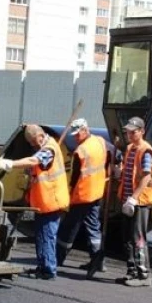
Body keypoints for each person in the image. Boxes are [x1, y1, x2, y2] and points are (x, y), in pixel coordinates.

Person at [0, 125, 70, 280]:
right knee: (41, 235)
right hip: (43, 202)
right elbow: (40, 167)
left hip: (51, 201)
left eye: (34, 143)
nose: (33, 146)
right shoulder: (46, 146)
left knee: (47, 236)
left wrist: (10, 164)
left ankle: (48, 270)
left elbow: (35, 160)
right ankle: (42, 266)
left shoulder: (49, 149)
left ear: (40, 136)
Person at [55, 118, 110, 279]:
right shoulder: (100, 142)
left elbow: (75, 177)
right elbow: (108, 159)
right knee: (93, 227)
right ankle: (98, 260)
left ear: (85, 130)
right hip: (97, 192)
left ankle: (58, 257)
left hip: (82, 195)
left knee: (68, 227)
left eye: (77, 134)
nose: (75, 138)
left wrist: (69, 194)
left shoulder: (81, 151)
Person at [117, 116, 152, 287]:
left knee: (138, 237)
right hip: (128, 200)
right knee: (127, 237)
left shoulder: (145, 150)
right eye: (128, 131)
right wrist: (118, 171)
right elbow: (129, 170)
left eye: (133, 132)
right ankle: (131, 271)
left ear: (142, 132)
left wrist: (134, 198)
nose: (129, 134)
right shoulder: (130, 148)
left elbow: (146, 175)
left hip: (139, 202)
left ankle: (143, 275)